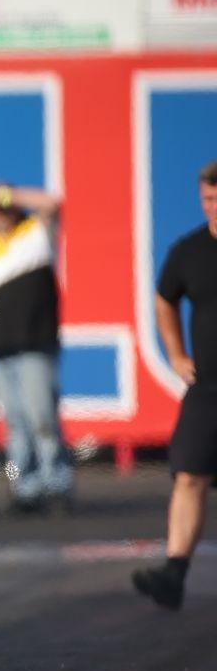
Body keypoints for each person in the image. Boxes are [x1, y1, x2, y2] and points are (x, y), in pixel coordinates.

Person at [133, 161, 217, 609]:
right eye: (207, 199)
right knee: (188, 476)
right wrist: (176, 354)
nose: (214, 207)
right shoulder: (189, 251)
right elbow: (165, 299)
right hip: (207, 387)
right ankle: (173, 572)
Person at [0, 182, 71, 511]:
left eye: (3, 207)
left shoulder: (34, 234)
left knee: (41, 416)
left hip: (33, 344)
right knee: (15, 425)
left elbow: (52, 204)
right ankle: (22, 486)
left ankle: (55, 483)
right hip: (2, 350)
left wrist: (7, 194)